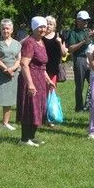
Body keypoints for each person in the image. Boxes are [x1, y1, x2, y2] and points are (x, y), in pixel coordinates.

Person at [17, 17, 54, 147]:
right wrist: (30, 84)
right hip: (30, 78)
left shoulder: (41, 42)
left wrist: (48, 80)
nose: (43, 29)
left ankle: (31, 136)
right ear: (34, 28)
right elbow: (24, 63)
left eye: (44, 27)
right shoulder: (29, 42)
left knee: (38, 107)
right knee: (29, 107)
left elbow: (42, 66)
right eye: (40, 27)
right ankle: (24, 139)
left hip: (40, 79)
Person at [0, 18, 20, 131]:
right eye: (3, 28)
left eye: (7, 28)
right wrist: (6, 69)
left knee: (10, 98)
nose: (5, 30)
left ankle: (6, 123)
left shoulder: (17, 43)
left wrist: (13, 69)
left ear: (12, 29)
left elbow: (18, 59)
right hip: (0, 74)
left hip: (13, 74)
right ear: (0, 29)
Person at [64, 10, 92, 111]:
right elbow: (70, 48)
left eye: (87, 20)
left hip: (91, 59)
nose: (86, 22)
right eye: (83, 20)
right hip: (80, 58)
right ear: (78, 21)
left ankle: (90, 104)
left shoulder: (89, 31)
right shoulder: (73, 33)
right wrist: (84, 42)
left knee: (93, 83)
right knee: (79, 84)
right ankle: (79, 107)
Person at [42, 15, 67, 92]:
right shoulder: (40, 37)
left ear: (54, 26)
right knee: (42, 89)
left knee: (52, 88)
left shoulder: (59, 36)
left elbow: (64, 54)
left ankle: (51, 104)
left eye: (51, 24)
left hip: (54, 67)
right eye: (47, 24)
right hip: (42, 67)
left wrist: (59, 43)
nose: (48, 26)